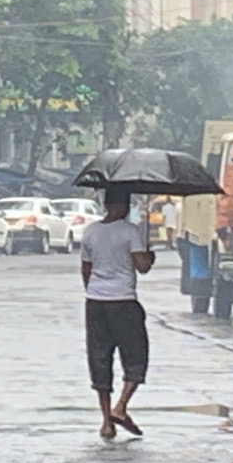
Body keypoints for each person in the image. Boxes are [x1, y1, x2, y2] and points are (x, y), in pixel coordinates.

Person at [81, 185, 154, 440]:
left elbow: (86, 270)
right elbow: (142, 267)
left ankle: (106, 422)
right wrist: (149, 255)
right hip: (124, 302)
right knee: (136, 357)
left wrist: (95, 292)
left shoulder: (89, 232)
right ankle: (121, 406)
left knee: (100, 358)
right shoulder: (130, 231)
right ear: (123, 205)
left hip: (95, 303)